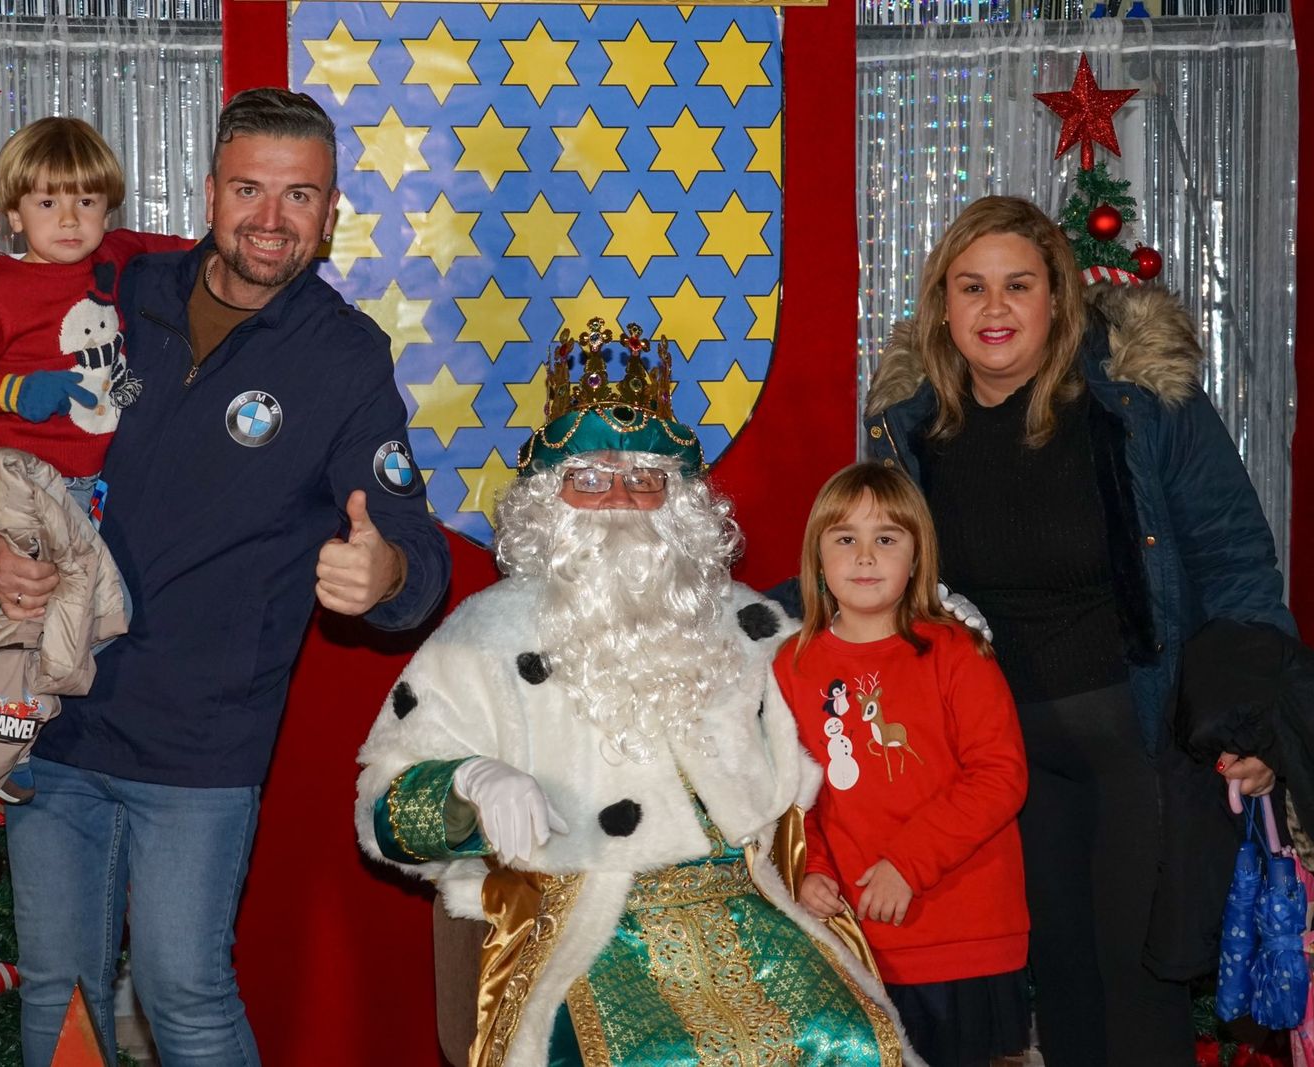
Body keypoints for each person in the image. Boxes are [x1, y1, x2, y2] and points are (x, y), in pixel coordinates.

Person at [0, 89, 450, 1066]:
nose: (271, 218)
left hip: (200, 745)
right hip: (53, 714)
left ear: (332, 210)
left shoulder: (345, 358)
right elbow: (1, 461)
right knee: (61, 996)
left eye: (299, 195)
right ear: (209, 192)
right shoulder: (112, 291)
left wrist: (382, 567)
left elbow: (411, 549)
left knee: (184, 989)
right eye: (250, 189)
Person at [355, 322, 917, 1067]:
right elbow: (384, 804)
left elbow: (849, 731)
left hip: (752, 907)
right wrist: (468, 781)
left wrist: (933, 633)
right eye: (588, 478)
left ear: (678, 501)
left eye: (644, 477)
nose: (619, 498)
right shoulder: (484, 636)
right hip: (585, 915)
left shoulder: (751, 625)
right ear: (549, 502)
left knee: (852, 1042)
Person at [858, 195, 1295, 1065]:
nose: (994, 309)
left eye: (1018, 285)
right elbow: (865, 576)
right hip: (1002, 762)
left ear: (1058, 297)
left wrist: (1253, 718)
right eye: (971, 286)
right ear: (941, 304)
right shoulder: (911, 429)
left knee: (1135, 984)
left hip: (1133, 741)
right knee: (1055, 980)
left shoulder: (1141, 403)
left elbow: (1237, 562)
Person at [775, 462, 1030, 1067]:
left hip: (960, 932)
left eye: (886, 539)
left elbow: (999, 775)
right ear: (818, 558)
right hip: (857, 939)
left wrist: (907, 866)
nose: (865, 557)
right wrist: (809, 869)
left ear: (917, 559)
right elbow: (793, 791)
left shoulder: (956, 651)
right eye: (845, 539)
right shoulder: (790, 664)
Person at [0, 116, 195, 645]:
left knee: (87, 614)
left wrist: (220, 248)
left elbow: (188, 250)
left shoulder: (115, 256)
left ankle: (26, 702)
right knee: (24, 604)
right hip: (27, 477)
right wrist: (14, 390)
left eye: (88, 203)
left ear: (107, 208)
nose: (70, 220)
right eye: (48, 204)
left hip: (97, 482)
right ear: (15, 215)